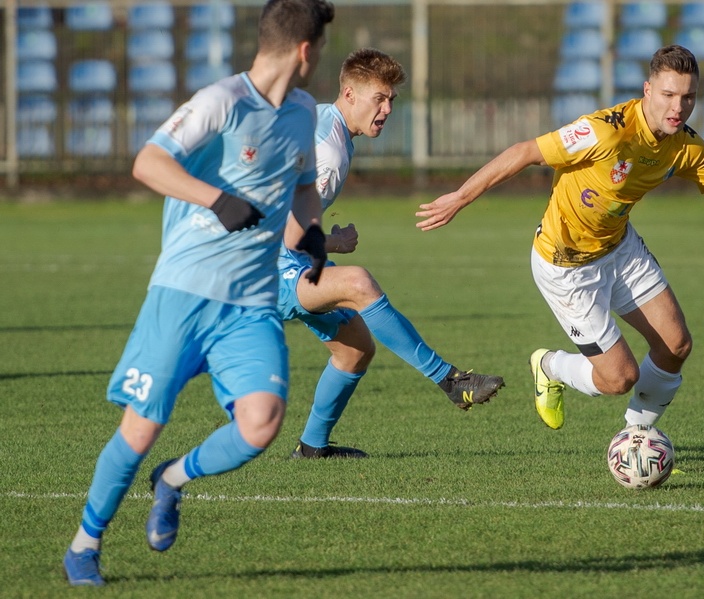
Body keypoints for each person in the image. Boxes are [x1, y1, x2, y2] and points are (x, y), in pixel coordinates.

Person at [416, 45, 704, 432]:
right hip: (565, 266)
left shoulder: (686, 146)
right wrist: (460, 197)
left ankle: (636, 436)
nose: (679, 107)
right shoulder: (605, 130)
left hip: (619, 249)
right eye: (669, 95)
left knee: (677, 345)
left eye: (688, 97)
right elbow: (525, 151)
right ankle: (551, 366)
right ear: (647, 90)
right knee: (620, 378)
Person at [62, 0, 335, 586]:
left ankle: (173, 479)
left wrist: (309, 229)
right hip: (183, 296)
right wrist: (215, 198)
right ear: (307, 51)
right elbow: (148, 162)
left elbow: (306, 185)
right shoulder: (222, 102)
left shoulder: (304, 111)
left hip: (251, 306)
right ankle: (84, 546)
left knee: (261, 422)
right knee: (138, 431)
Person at [279, 48, 505, 459]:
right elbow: (290, 236)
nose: (386, 109)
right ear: (349, 94)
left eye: (391, 100)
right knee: (358, 281)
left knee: (355, 349)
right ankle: (451, 381)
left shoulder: (326, 121)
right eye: (377, 99)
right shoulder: (328, 153)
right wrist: (334, 242)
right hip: (264, 267)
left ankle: (312, 449)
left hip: (277, 256)